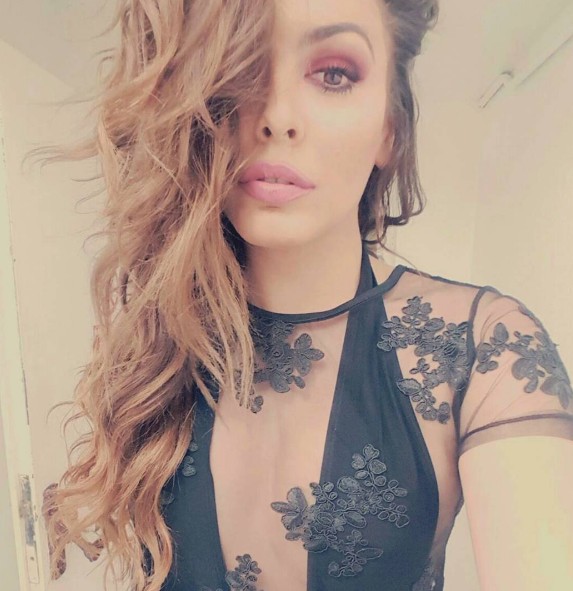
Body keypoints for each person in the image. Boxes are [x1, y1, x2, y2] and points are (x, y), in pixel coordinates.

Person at [34, 0, 573, 590]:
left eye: (334, 74)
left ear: (389, 130)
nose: (276, 116)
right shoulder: (160, 338)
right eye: (240, 69)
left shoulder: (483, 349)